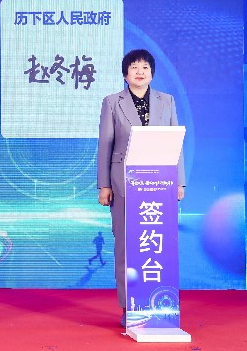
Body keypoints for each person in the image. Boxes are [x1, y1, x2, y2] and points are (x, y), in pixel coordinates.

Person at [96, 49, 185, 327]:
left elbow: (175, 143)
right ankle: (129, 306)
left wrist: (179, 181)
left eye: (145, 67)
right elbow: (105, 145)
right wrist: (104, 185)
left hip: (160, 183)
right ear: (125, 74)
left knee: (157, 244)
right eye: (134, 67)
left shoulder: (167, 101)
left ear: (152, 73)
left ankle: (159, 305)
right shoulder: (113, 102)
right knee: (126, 245)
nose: (139, 71)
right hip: (123, 183)